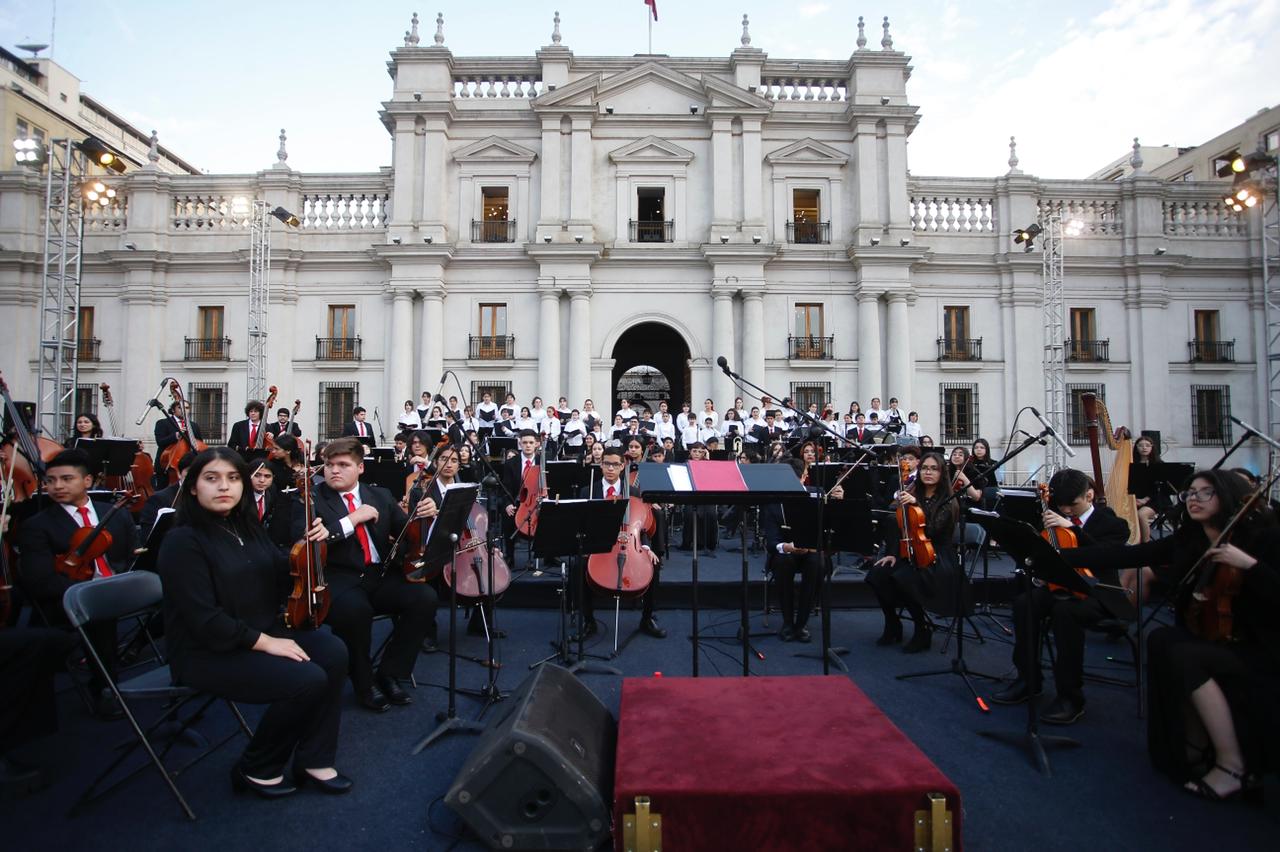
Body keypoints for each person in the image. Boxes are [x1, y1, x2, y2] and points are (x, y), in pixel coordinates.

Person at [1061, 468, 1279, 800]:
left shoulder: (1264, 539)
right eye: (1190, 493)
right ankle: (1193, 746)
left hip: (1259, 643)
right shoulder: (1191, 539)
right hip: (1217, 636)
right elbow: (1128, 554)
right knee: (1163, 640)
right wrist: (1059, 556)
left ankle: (1234, 766)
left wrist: (1249, 565)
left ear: (1227, 496)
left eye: (1205, 492)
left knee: (1183, 652)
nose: (1194, 499)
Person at [158, 447, 351, 797]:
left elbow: (279, 568)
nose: (224, 486)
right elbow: (204, 619)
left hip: (257, 632)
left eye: (233, 478)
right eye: (212, 478)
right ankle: (257, 767)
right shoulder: (181, 542)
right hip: (207, 651)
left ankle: (314, 758)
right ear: (192, 487)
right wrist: (267, 642)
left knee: (333, 651)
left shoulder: (246, 527)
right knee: (306, 679)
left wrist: (307, 546)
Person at [989, 468, 1132, 725]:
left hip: (1098, 593)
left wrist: (1074, 530)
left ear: (1089, 495)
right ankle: (1028, 679)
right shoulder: (1052, 516)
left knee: (1065, 612)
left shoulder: (1113, 524)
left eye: (1072, 505)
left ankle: (1070, 696)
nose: (1065, 510)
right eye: (1061, 505)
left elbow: (1106, 556)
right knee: (1024, 603)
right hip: (1059, 586)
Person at [307, 438, 438, 713]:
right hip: (338, 578)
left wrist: (426, 516)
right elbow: (306, 542)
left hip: (380, 574)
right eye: (329, 465)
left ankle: (390, 672)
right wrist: (353, 519)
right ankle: (363, 683)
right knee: (356, 612)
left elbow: (407, 535)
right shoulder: (311, 498)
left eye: (343, 465)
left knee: (424, 597)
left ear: (360, 468)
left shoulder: (380, 495)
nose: (334, 470)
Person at [17, 450, 139, 718]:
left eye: (66, 479)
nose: (57, 486)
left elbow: (132, 554)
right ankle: (105, 689)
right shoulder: (37, 525)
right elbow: (40, 581)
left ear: (87, 481)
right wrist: (93, 592)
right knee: (100, 614)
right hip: (73, 597)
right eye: (50, 481)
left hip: (118, 587)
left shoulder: (114, 513)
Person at [864, 452, 958, 653]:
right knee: (876, 575)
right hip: (910, 550)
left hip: (936, 555)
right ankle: (893, 623)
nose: (928, 472)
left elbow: (931, 530)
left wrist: (915, 504)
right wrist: (892, 552)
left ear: (942, 473)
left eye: (934, 469)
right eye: (925, 468)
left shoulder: (948, 501)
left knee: (903, 577)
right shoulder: (914, 493)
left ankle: (922, 628)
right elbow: (896, 523)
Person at [578, 445, 665, 638]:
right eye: (607, 464)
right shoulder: (587, 491)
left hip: (629, 542)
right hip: (598, 544)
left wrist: (645, 547)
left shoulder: (633, 492)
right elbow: (582, 523)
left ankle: (647, 618)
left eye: (615, 464)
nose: (610, 468)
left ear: (622, 466)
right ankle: (588, 620)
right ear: (601, 465)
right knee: (579, 564)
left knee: (653, 564)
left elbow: (641, 523)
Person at [761, 457, 842, 642]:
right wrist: (787, 547)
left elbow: (830, 528)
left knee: (818, 564)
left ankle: (802, 622)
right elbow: (772, 541)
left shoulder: (818, 494)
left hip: (811, 552)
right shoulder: (772, 501)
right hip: (785, 553)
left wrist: (838, 503)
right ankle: (788, 621)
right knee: (783, 563)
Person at [250, 461, 305, 556]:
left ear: (273, 478)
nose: (262, 480)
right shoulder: (241, 496)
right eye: (257, 475)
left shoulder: (272, 492)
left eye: (267, 476)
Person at [154, 400, 203, 467]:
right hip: (167, 463)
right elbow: (160, 442)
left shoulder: (194, 425)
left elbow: (200, 442)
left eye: (187, 408)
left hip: (189, 463)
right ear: (173, 410)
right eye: (180, 407)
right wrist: (176, 436)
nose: (184, 410)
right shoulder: (162, 423)